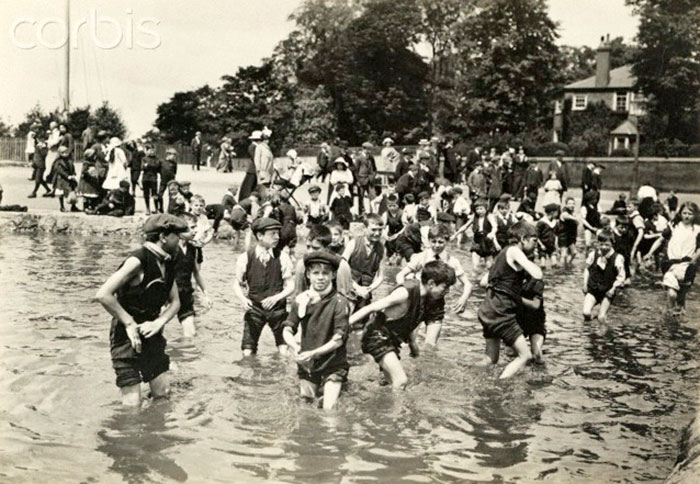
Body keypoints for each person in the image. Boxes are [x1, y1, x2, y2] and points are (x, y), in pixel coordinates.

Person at [95, 214, 189, 406]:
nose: (179, 239)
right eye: (176, 235)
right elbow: (103, 294)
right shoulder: (138, 261)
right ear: (163, 237)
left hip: (153, 333)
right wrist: (129, 322)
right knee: (132, 405)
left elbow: (176, 302)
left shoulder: (168, 262)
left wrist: (159, 322)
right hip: (126, 337)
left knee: (163, 394)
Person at [350, 260, 456, 389]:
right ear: (431, 283)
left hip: (391, 341)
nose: (448, 291)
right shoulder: (405, 292)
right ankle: (398, 409)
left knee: (390, 383)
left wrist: (412, 344)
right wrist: (342, 328)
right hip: (376, 337)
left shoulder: (426, 299)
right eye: (445, 287)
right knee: (401, 381)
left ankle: (377, 403)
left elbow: (411, 321)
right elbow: (371, 308)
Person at [283, 251, 351, 410]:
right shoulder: (300, 300)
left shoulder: (340, 302)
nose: (321, 277)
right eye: (316, 273)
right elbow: (287, 329)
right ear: (308, 274)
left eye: (325, 273)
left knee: (329, 410)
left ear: (333, 275)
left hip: (333, 364)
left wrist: (314, 352)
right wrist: (294, 346)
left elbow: (338, 339)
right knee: (305, 406)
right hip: (309, 365)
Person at [476, 221, 543, 379]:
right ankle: (500, 384)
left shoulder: (502, 255)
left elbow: (483, 282)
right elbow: (537, 274)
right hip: (501, 312)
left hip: (488, 309)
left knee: (490, 360)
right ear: (522, 238)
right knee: (525, 356)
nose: (536, 244)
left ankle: (463, 372)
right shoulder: (514, 250)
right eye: (534, 240)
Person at [395, 224, 472, 346]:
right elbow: (400, 275)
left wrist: (464, 297)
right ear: (428, 240)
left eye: (441, 242)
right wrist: (405, 293)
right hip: (416, 303)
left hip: (436, 305)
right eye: (433, 241)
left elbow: (468, 284)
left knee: (430, 346)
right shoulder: (420, 257)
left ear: (447, 241)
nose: (436, 245)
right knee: (410, 344)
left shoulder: (452, 261)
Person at [232, 217, 295, 356]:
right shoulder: (245, 258)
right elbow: (236, 283)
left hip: (278, 310)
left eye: (278, 233)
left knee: (284, 349)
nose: (277, 237)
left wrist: (276, 298)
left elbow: (291, 286)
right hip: (254, 309)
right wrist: (243, 299)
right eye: (272, 233)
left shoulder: (283, 257)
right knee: (247, 350)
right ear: (260, 236)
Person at [645, 202, 700, 313]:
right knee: (672, 293)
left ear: (695, 215)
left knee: (681, 297)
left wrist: (694, 258)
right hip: (670, 263)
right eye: (684, 213)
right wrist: (649, 253)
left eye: (690, 213)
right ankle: (669, 314)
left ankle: (678, 319)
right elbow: (660, 240)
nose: (687, 216)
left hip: (687, 265)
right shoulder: (673, 226)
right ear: (680, 213)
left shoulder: (698, 230)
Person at [173, 213, 212, 337]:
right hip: (166, 295)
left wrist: (206, 294)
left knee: (191, 334)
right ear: (180, 229)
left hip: (185, 294)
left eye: (196, 227)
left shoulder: (193, 248)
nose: (196, 231)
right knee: (156, 332)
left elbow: (196, 273)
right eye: (192, 227)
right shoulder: (169, 248)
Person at [343, 214, 385, 316]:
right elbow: (341, 268)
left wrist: (369, 289)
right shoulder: (353, 243)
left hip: (366, 292)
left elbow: (380, 277)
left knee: (361, 325)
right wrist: (356, 287)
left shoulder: (382, 249)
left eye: (380, 230)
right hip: (348, 289)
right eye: (373, 230)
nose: (377, 233)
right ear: (364, 229)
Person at [582, 230, 626, 323]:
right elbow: (587, 269)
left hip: (607, 291)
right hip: (593, 289)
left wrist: (613, 289)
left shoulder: (617, 258)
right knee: (586, 313)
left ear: (612, 244)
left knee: (601, 318)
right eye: (601, 244)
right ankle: (590, 327)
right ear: (598, 243)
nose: (604, 247)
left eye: (607, 245)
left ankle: (602, 334)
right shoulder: (593, 254)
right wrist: (585, 283)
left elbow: (621, 277)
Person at [516, 274, 546, 363]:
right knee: (510, 353)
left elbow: (535, 304)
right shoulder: (511, 277)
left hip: (535, 321)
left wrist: (517, 298)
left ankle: (540, 374)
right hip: (517, 321)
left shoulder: (537, 280)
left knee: (536, 354)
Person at [53, 146, 79, 212]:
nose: (65, 154)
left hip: (70, 177)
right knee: (61, 192)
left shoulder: (69, 160)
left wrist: (73, 173)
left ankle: (73, 206)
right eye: (63, 152)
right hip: (62, 179)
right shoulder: (58, 161)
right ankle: (62, 206)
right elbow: (60, 170)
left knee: (72, 191)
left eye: (66, 152)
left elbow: (72, 167)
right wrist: (67, 176)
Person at [537, 203, 560, 268]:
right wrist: (541, 245)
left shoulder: (555, 222)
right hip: (542, 245)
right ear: (552, 212)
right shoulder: (541, 222)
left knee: (554, 264)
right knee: (543, 264)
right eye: (557, 211)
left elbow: (556, 234)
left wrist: (556, 245)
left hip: (551, 245)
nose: (558, 213)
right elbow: (536, 235)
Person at [558, 197, 579, 266]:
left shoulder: (573, 213)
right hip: (563, 236)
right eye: (569, 203)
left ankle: (567, 265)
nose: (571, 205)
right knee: (563, 254)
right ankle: (560, 268)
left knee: (574, 252)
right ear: (566, 205)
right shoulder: (564, 211)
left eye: (573, 203)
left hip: (571, 237)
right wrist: (575, 218)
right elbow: (565, 216)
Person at [140, 144, 160, 214]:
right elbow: (142, 167)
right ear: (147, 151)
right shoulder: (144, 158)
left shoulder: (157, 159)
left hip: (153, 178)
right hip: (145, 178)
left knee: (154, 194)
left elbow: (157, 166)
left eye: (153, 150)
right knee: (146, 194)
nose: (152, 152)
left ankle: (156, 208)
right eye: (150, 150)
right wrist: (148, 166)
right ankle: (147, 208)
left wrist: (148, 165)